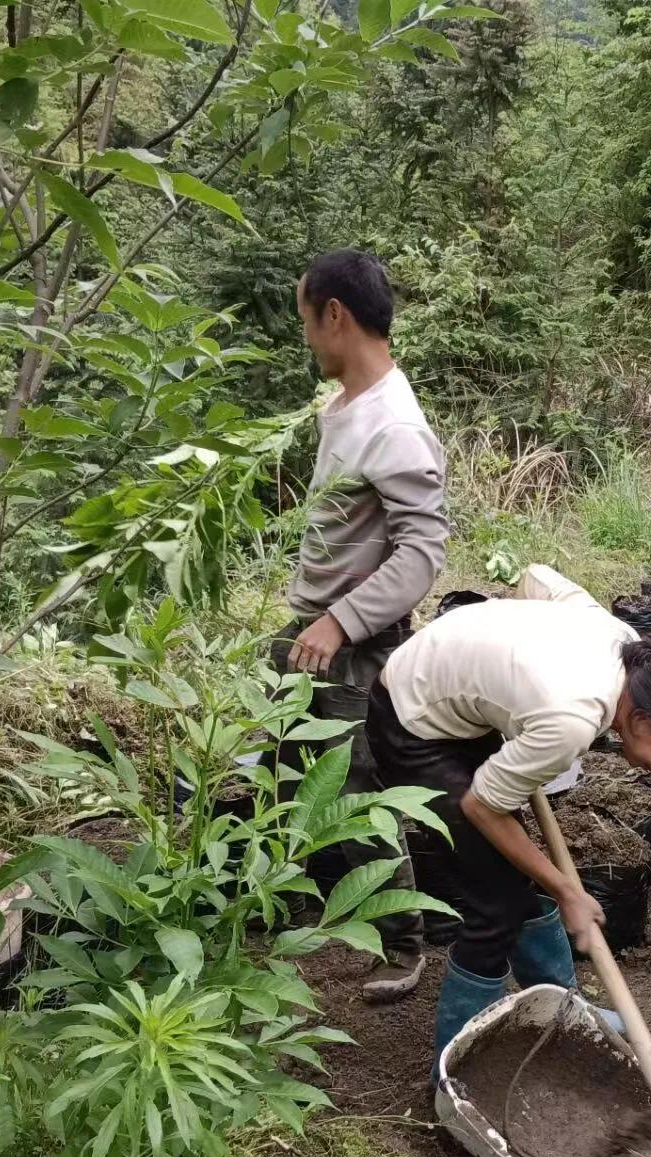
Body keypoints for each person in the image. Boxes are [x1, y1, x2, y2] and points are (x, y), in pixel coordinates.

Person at [366, 564, 651, 1060]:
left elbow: (536, 576)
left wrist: (505, 668)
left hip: (459, 710)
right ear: (644, 720)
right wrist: (569, 891)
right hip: (412, 723)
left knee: (511, 877)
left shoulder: (621, 641)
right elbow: (482, 804)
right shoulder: (570, 720)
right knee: (492, 908)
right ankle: (455, 1064)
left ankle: (565, 1010)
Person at [277, 248, 448, 1002]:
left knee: (353, 792)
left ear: (336, 316)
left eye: (307, 322)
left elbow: (421, 555)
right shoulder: (343, 407)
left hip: (353, 645)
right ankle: (334, 913)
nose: (307, 339)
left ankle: (402, 946)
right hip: (312, 628)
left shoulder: (396, 427)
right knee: (296, 777)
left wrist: (341, 624)